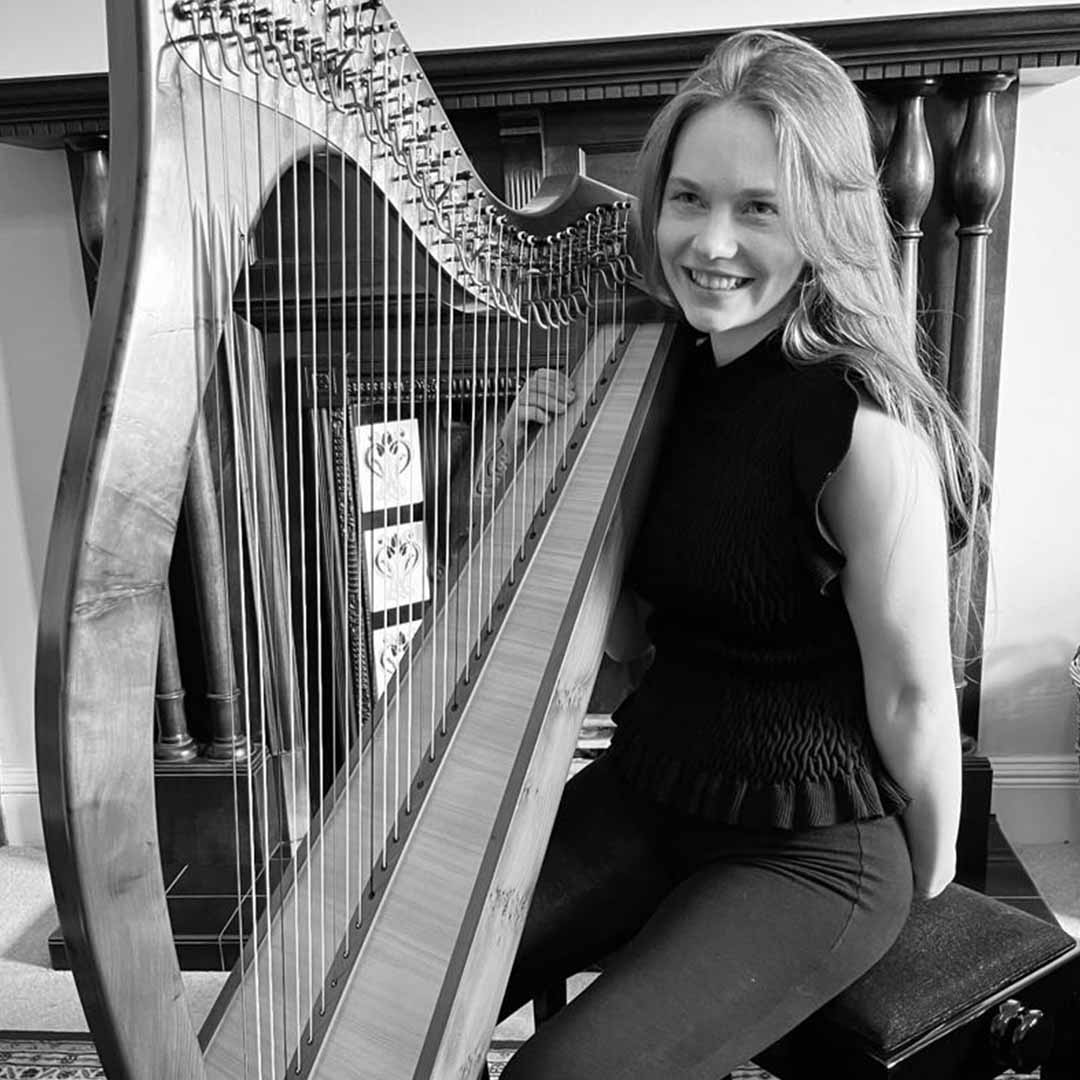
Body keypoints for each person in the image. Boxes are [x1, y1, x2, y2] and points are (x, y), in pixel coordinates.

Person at [495, 27, 987, 1080]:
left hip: (812, 852)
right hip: (652, 785)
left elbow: (911, 696)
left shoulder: (866, 440)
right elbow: (628, 639)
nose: (711, 242)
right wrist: (529, 450)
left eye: (758, 207)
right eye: (688, 198)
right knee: (402, 979)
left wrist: (935, 864)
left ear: (822, 220)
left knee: (558, 1077)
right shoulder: (652, 383)